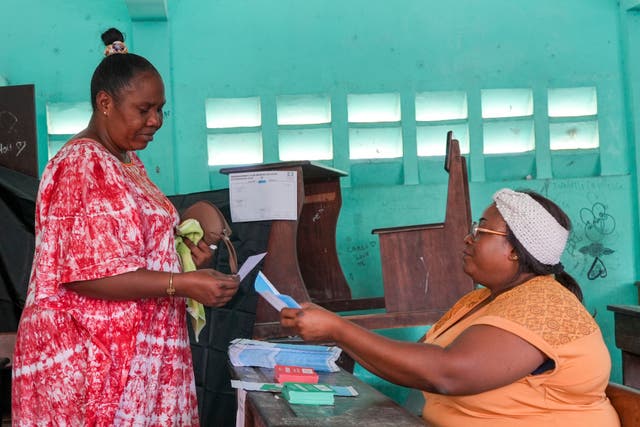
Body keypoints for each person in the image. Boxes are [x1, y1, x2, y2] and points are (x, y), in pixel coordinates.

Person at [12, 28, 240, 426]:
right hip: (93, 361)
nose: (155, 120)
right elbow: (85, 276)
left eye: (160, 109)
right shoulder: (81, 165)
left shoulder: (128, 163)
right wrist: (181, 285)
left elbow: (132, 245)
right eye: (143, 109)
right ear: (105, 103)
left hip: (136, 357)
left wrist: (182, 254)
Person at [281, 188, 620, 427]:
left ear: (516, 250)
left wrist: (339, 329)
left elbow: (447, 373)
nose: (468, 238)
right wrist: (337, 334)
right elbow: (416, 366)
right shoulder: (477, 300)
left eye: (481, 230)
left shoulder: (546, 303)